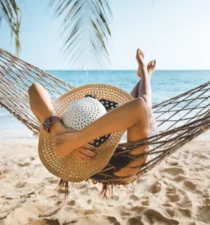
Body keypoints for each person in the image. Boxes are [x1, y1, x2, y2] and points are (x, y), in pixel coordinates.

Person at [28, 49, 156, 178]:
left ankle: (145, 73)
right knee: (145, 104)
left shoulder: (61, 144)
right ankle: (145, 73)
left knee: (131, 101)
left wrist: (59, 131)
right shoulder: (127, 168)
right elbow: (140, 106)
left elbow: (34, 89)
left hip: (109, 122)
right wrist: (74, 140)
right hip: (136, 131)